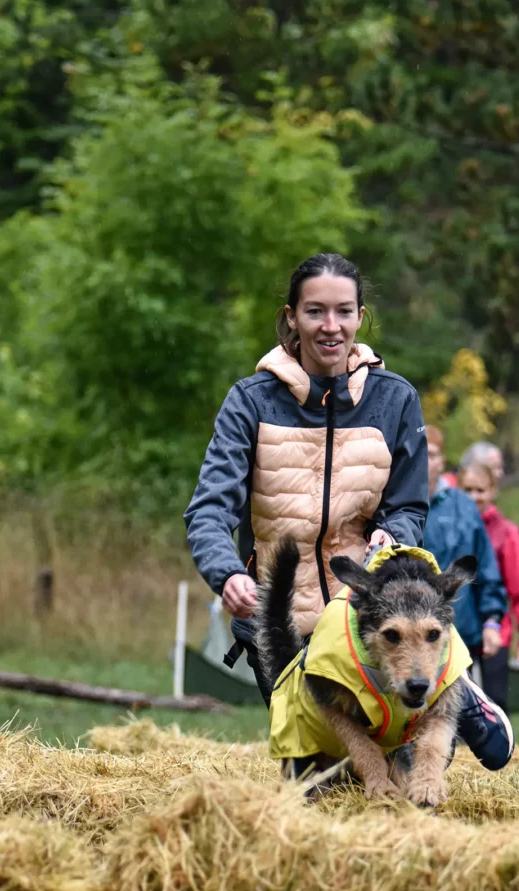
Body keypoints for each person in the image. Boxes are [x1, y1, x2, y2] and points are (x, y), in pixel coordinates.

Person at [184, 253, 429, 701]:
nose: (330, 325)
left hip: (364, 619)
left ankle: (471, 713)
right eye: (315, 311)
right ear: (291, 318)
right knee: (317, 766)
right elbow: (209, 510)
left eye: (343, 311)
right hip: (276, 628)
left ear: (360, 317)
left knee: (376, 761)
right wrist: (227, 575)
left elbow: (409, 505)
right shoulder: (251, 402)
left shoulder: (396, 400)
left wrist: (392, 533)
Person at [423, 427, 509, 698]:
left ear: (441, 460)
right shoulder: (397, 503)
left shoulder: (464, 506)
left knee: (462, 709)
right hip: (416, 631)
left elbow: (485, 566)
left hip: (462, 628)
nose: (425, 460)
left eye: (432, 454)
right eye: (420, 453)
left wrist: (492, 620)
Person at [460, 460, 519, 710]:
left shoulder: (506, 532)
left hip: (496, 632)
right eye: (468, 490)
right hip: (458, 631)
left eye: (480, 491)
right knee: (458, 705)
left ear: (492, 491)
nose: (474, 497)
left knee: (496, 702)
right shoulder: (451, 528)